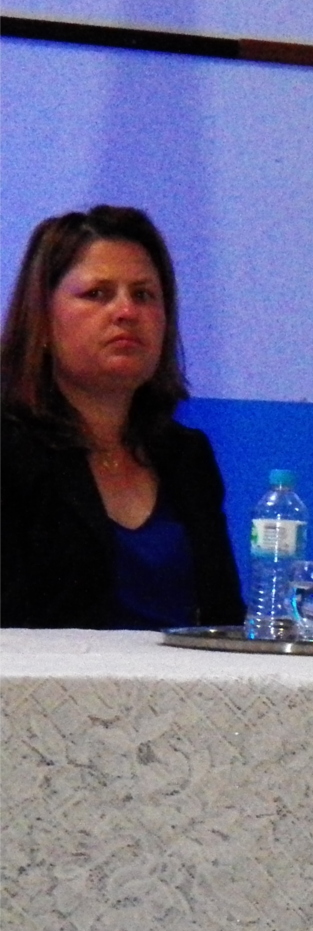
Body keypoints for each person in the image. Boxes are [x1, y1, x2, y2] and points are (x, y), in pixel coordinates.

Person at [1, 206, 243, 629]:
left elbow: (224, 621)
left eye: (144, 295)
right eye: (97, 294)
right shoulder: (10, 450)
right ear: (41, 320)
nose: (126, 312)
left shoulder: (186, 457)